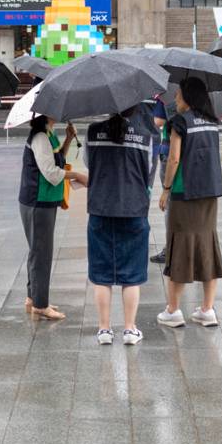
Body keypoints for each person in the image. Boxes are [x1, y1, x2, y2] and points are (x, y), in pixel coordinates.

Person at [157, 77, 222, 329]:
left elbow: (174, 159)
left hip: (184, 192)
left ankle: (173, 310)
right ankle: (207, 309)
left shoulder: (179, 122)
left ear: (188, 96)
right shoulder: (212, 121)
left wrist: (165, 189)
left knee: (180, 247)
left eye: (178, 94)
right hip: (210, 191)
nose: (175, 98)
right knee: (207, 245)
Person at [86, 108, 152, 346]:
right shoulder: (145, 135)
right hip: (133, 207)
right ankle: (129, 329)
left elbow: (89, 164)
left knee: (101, 275)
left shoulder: (93, 132)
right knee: (131, 275)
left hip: (100, 207)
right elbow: (148, 170)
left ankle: (104, 329)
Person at [19, 115, 87, 319]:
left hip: (44, 200)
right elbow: (50, 172)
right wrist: (77, 176)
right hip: (37, 201)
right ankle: (40, 304)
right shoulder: (40, 137)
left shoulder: (49, 134)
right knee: (41, 252)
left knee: (37, 250)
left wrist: (68, 139)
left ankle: (33, 297)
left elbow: (58, 160)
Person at [147, 94, 170, 265]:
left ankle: (171, 248)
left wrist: (166, 189)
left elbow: (159, 121)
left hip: (167, 150)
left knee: (171, 204)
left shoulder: (166, 94)